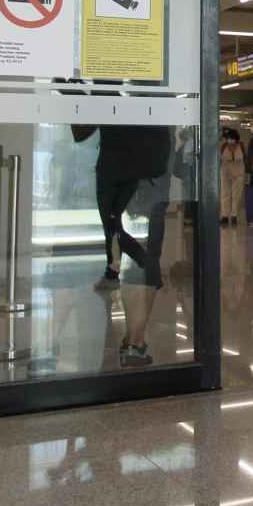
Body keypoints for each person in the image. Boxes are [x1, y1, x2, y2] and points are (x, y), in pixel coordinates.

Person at [75, 122, 171, 367]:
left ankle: (134, 340)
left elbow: (80, 130)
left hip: (119, 169)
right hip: (143, 169)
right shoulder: (149, 88)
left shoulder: (104, 86)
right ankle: (134, 344)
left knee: (133, 253)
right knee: (140, 256)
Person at [220, 128, 246, 226]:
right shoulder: (223, 146)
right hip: (225, 172)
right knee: (224, 194)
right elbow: (220, 159)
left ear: (236, 139)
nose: (229, 141)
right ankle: (224, 216)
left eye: (231, 138)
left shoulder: (241, 146)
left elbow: (245, 158)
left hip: (239, 173)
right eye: (228, 139)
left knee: (236, 195)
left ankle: (234, 215)